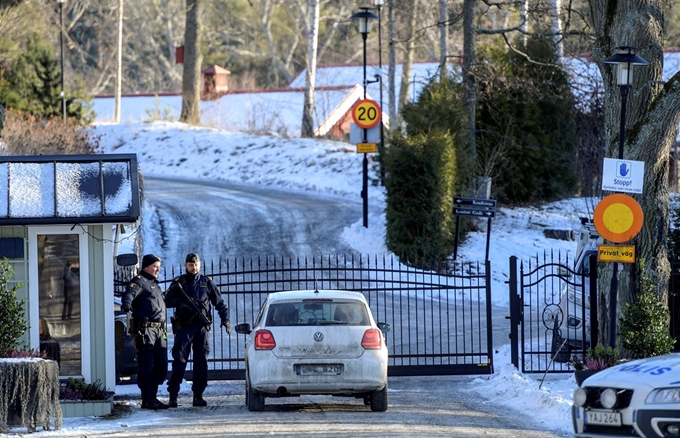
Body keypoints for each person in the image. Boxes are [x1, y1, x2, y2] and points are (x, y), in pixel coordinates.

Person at [165, 253, 231, 408]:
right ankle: (173, 396)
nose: (193, 267)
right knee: (179, 361)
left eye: (196, 264)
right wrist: (181, 303)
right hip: (184, 328)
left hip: (201, 328)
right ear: (185, 265)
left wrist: (225, 319)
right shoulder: (178, 282)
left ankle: (198, 396)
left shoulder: (206, 282)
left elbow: (220, 303)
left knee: (201, 362)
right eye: (190, 265)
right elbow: (166, 300)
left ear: (199, 265)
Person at [120, 254, 169, 410]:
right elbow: (129, 294)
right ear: (146, 266)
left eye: (158, 266)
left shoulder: (155, 284)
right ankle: (147, 399)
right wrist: (126, 304)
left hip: (159, 330)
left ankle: (153, 397)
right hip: (146, 330)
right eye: (155, 266)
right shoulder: (139, 281)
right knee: (147, 364)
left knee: (161, 365)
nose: (157, 269)